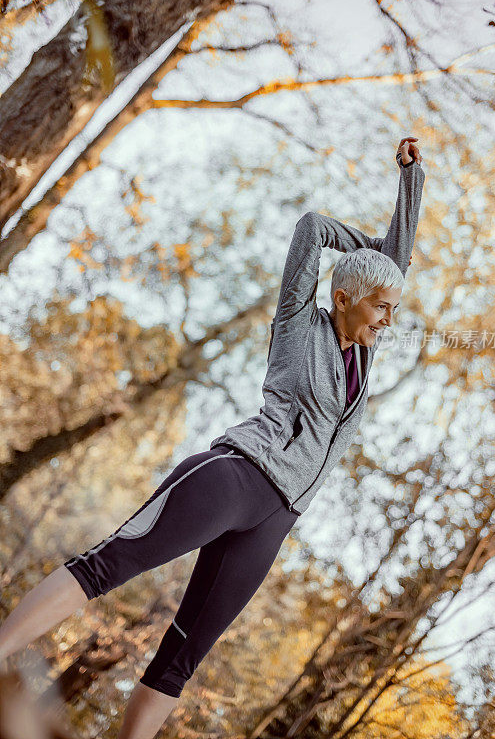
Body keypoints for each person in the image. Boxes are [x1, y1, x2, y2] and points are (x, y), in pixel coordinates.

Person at [0, 137, 425, 738]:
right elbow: (311, 230)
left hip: (277, 515)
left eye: (392, 310)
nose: (389, 321)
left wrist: (411, 182)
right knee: (109, 565)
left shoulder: (366, 354)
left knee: (184, 656)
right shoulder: (299, 319)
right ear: (342, 298)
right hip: (235, 476)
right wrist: (368, 251)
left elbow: (397, 264)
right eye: (381, 307)